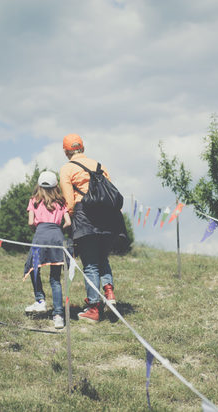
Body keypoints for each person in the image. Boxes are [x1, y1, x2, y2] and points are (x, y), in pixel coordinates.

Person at [59, 133, 122, 323]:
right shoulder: (99, 165)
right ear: (83, 148)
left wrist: (69, 218)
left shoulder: (67, 169)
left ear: (66, 151)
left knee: (91, 263)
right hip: (107, 217)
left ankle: (94, 308)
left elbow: (69, 201)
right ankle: (109, 293)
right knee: (103, 258)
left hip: (84, 216)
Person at [23, 171, 71, 329]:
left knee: (33, 268)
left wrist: (37, 229)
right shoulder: (61, 202)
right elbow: (68, 223)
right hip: (57, 237)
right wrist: (58, 229)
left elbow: (31, 222)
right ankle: (58, 315)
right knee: (55, 279)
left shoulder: (34, 201)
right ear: (56, 186)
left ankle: (40, 300)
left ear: (39, 185)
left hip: (40, 236)